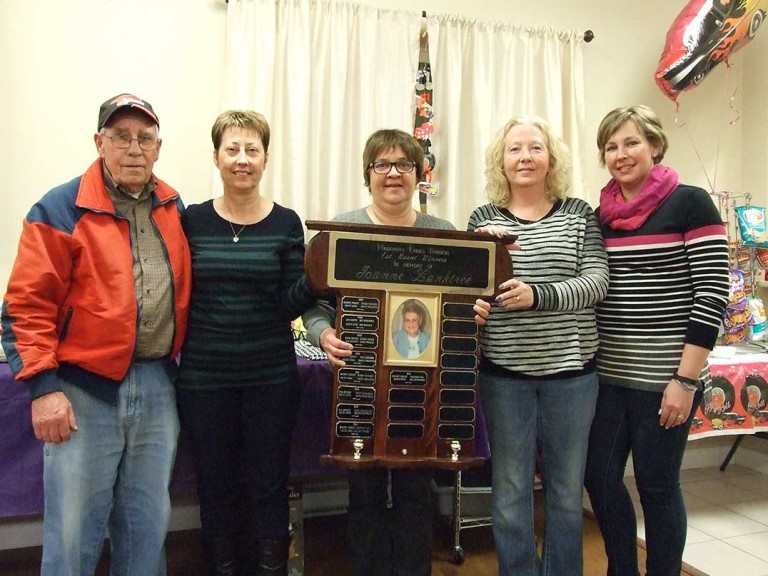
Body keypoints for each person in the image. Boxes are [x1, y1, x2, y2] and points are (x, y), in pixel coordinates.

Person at [0, 94, 191, 575]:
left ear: (158, 147)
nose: (133, 148)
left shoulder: (172, 205)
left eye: (144, 138)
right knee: (72, 534)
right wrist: (44, 390)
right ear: (98, 142)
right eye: (121, 136)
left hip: (156, 386)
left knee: (148, 526)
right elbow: (25, 308)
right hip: (82, 391)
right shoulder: (60, 207)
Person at [303, 128, 489, 576]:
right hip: (361, 385)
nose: (393, 174)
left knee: (416, 495)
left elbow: (464, 305)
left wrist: (474, 312)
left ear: (419, 175)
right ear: (367, 175)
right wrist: (323, 334)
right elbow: (313, 303)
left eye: (404, 165)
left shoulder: (443, 235)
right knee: (363, 492)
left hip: (422, 395)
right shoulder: (341, 232)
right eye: (382, 165)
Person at [583, 105, 730, 576]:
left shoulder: (690, 203)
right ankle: (621, 569)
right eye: (611, 146)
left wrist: (685, 382)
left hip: (666, 378)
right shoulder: (601, 214)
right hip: (609, 376)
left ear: (655, 146)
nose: (621, 154)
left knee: (657, 485)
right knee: (600, 480)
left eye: (631, 143)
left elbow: (711, 295)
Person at [175, 110, 317, 576]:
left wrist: (322, 272)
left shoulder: (285, 223)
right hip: (203, 379)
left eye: (252, 150)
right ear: (216, 157)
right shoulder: (191, 220)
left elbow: (289, 304)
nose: (242, 159)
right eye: (232, 149)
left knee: (268, 485)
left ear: (266, 158)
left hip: (270, 378)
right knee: (216, 486)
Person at [468, 115, 609, 576]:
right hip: (504, 378)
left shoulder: (578, 214)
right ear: (500, 161)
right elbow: (468, 288)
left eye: (535, 148)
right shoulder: (483, 218)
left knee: (567, 496)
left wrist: (537, 295)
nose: (524, 157)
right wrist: (477, 258)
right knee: (509, 495)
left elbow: (596, 283)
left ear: (552, 159)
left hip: (572, 377)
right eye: (514, 149)